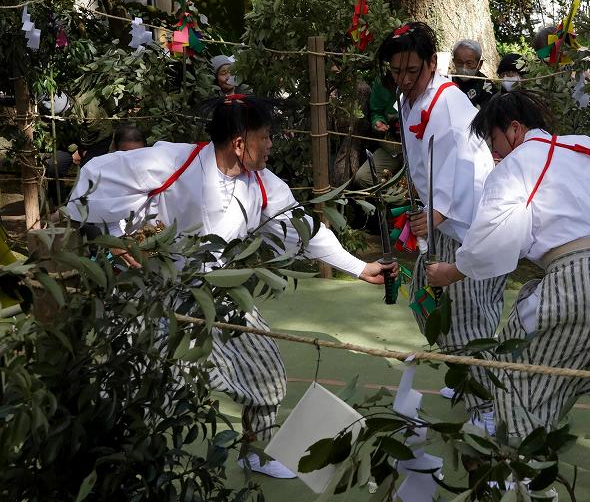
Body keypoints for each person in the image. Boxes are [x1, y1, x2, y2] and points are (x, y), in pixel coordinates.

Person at [66, 95, 397, 479]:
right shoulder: (173, 162)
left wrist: (359, 267)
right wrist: (108, 235)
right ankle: (122, 464)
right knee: (145, 387)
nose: (272, 144)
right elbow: (96, 175)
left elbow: (306, 230)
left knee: (267, 370)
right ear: (240, 143)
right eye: (266, 136)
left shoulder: (264, 185)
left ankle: (255, 451)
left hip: (216, 293)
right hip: (154, 292)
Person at [425, 90, 590, 487]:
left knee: (517, 371)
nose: (494, 154)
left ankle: (518, 474)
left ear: (513, 130)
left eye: (493, 142)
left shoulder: (517, 163)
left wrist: (450, 272)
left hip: (578, 274)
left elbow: (493, 241)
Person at [376, 23, 507, 432]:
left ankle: (485, 404)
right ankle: (467, 374)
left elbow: (469, 167)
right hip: (443, 221)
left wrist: (436, 214)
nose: (404, 79)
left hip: (464, 225)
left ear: (434, 64)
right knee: (427, 301)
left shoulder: (448, 107)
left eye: (412, 70)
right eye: (396, 71)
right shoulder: (415, 98)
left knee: (468, 318)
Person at [533, 26, 590, 111]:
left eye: (548, 58)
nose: (548, 63)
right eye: (544, 60)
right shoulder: (555, 71)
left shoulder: (583, 61)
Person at [352, 73, 403, 189]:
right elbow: (376, 112)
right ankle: (400, 197)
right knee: (363, 178)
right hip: (393, 146)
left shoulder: (422, 79)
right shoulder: (382, 81)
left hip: (419, 147)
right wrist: (378, 122)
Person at [451, 39, 495, 109]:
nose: (464, 68)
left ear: (479, 64)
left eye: (469, 63)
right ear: (454, 61)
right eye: (459, 62)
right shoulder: (448, 81)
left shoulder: (488, 87)